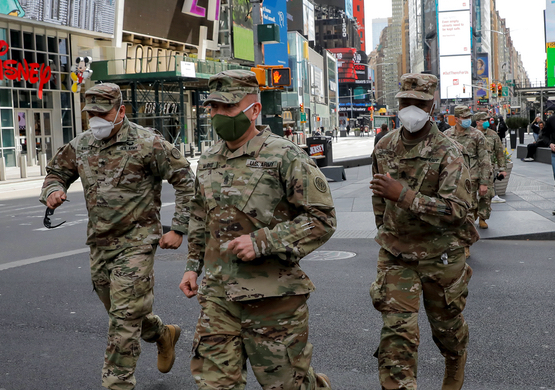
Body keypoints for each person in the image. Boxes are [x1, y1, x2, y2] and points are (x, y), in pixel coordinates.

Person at [179, 70, 335, 390]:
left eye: (229, 108)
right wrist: (192, 267)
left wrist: (262, 241)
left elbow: (321, 219)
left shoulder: (284, 155)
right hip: (218, 300)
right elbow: (199, 217)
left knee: (287, 385)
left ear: (254, 109)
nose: (219, 115)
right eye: (214, 108)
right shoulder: (207, 161)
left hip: (273, 301)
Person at [40, 83, 194, 390]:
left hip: (137, 243)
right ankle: (163, 334)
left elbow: (186, 180)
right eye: (91, 113)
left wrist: (178, 228)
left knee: (123, 320)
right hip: (100, 244)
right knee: (124, 310)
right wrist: (54, 190)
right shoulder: (82, 144)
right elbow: (56, 172)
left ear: (121, 111)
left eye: (103, 112)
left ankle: (117, 384)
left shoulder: (148, 143)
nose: (96, 119)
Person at [369, 73, 477, 390]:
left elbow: (457, 210)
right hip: (396, 255)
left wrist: (404, 195)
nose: (410, 109)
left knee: (446, 330)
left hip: (441, 254)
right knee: (396, 335)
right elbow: (379, 201)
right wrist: (389, 233)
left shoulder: (449, 151)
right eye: (405, 102)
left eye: (419, 103)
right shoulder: (384, 146)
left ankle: (455, 361)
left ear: (432, 106)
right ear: (397, 103)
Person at [444, 105, 492, 231]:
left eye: (469, 117)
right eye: (464, 117)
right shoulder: (447, 135)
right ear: (456, 119)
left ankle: (466, 241)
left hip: (472, 178)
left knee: (468, 208)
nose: (467, 119)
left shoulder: (477, 135)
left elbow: (484, 159)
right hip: (452, 179)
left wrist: (484, 182)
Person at [475, 112, 508, 204]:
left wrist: (502, 169)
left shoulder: (493, 135)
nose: (487, 122)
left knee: (488, 194)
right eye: (484, 120)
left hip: (489, 167)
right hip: (473, 168)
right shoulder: (472, 134)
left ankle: (492, 197)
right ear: (478, 122)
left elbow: (499, 153)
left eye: (487, 120)